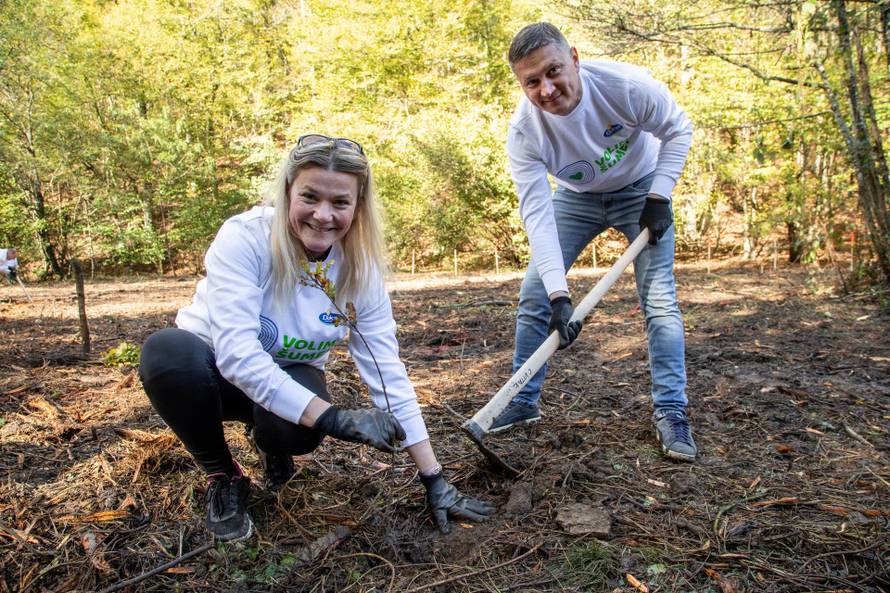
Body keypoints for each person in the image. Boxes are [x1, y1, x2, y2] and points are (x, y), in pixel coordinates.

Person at [139, 135, 495, 542]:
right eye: (310, 196)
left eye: (340, 203)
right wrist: (334, 418)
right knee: (165, 353)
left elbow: (388, 374)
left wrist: (434, 479)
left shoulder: (360, 269)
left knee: (298, 433)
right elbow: (237, 355)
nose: (323, 215)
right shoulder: (246, 238)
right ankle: (224, 475)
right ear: (288, 190)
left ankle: (270, 443)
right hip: (209, 371)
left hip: (286, 373)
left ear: (358, 206)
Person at [489, 23, 697, 462]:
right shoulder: (525, 132)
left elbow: (678, 129)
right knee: (534, 296)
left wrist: (660, 195)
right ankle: (522, 402)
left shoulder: (625, 87)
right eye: (532, 81)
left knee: (659, 299)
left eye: (553, 71)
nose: (546, 89)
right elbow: (538, 218)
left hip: (643, 188)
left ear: (575, 58)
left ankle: (671, 411)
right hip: (577, 199)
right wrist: (559, 295)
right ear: (521, 84)